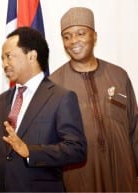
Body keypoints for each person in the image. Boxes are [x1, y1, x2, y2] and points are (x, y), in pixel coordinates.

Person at [0, 27, 87, 192]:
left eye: (9, 56)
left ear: (32, 56)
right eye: (2, 58)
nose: (4, 64)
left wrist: (30, 151)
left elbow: (76, 149)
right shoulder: (0, 101)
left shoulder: (61, 97)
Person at [49, 7, 138, 192]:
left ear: (94, 36)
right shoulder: (53, 85)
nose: (74, 41)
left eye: (81, 33)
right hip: (78, 180)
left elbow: (135, 129)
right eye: (67, 36)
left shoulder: (119, 76)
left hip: (123, 176)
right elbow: (50, 145)